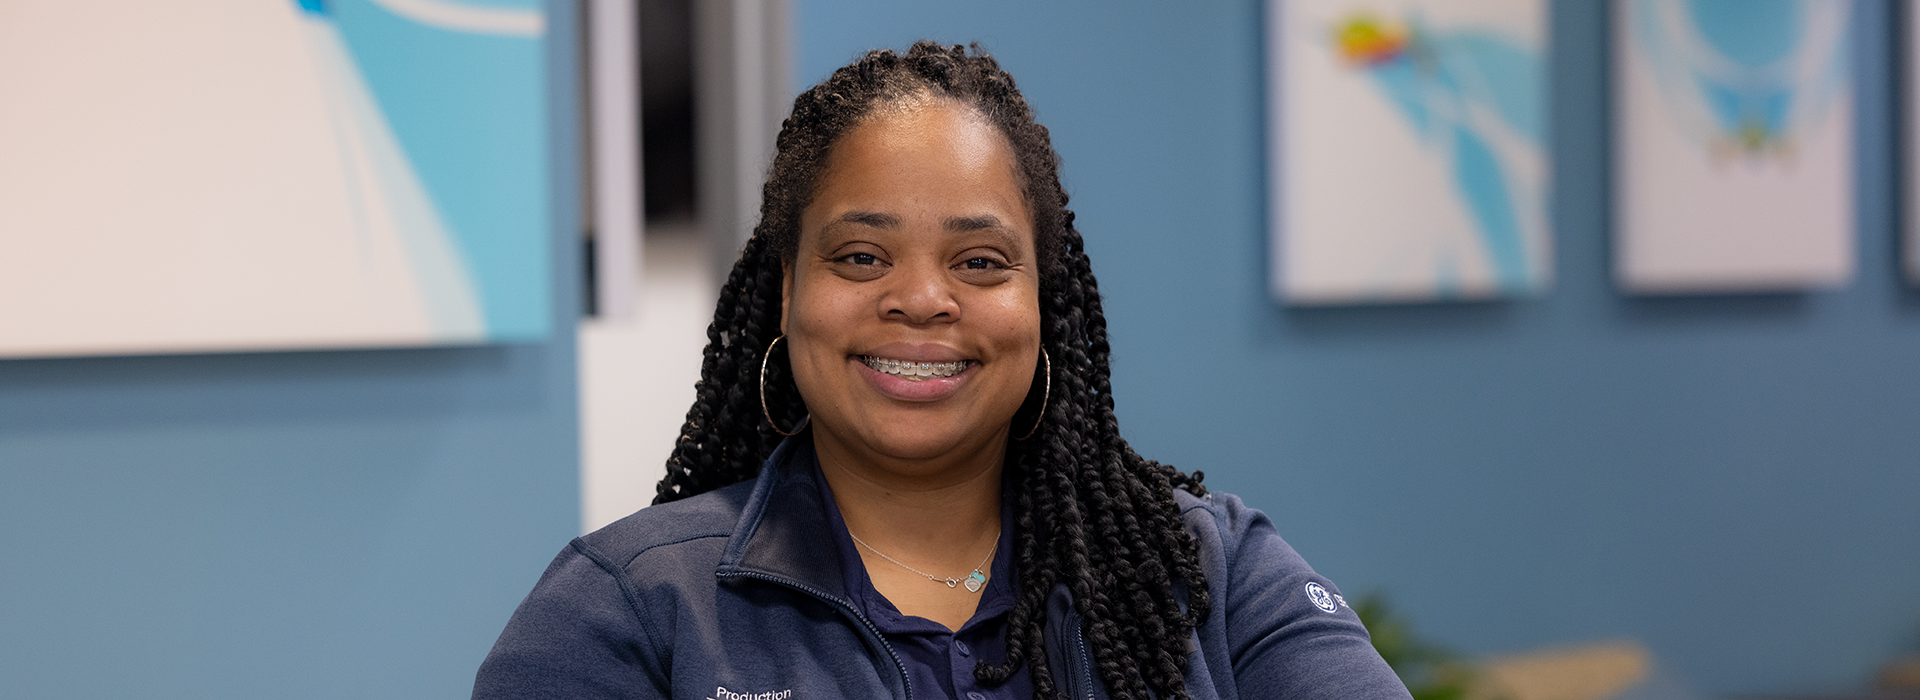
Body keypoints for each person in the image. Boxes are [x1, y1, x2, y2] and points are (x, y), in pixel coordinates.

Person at [473, 41, 1412, 700]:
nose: (923, 300)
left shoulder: (1212, 569)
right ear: (785, 293)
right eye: (860, 258)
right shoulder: (626, 610)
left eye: (979, 262)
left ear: (1047, 309)